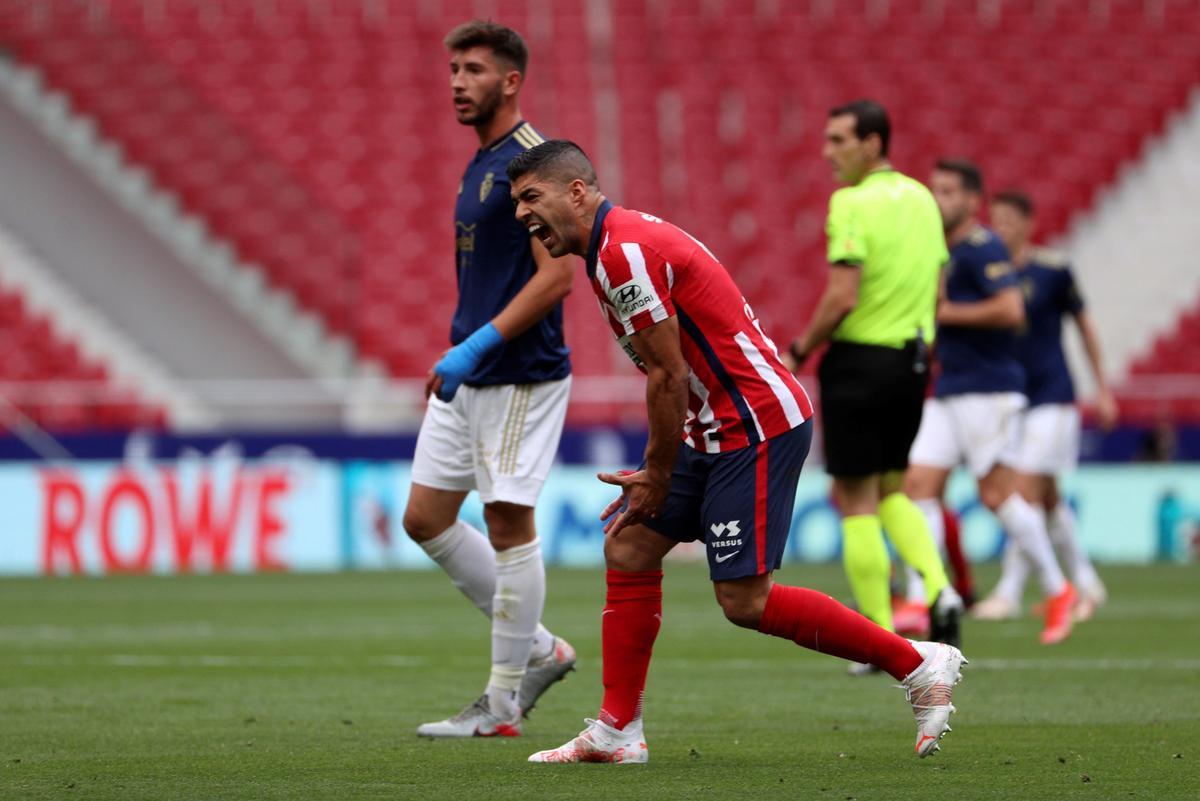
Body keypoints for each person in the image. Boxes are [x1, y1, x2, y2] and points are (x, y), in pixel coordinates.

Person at [506, 140, 967, 765]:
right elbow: (675, 370)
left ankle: (917, 662)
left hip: (753, 426)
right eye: (516, 202)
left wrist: (656, 474)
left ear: (578, 192)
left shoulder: (624, 253)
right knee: (630, 545)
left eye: (532, 197)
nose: (521, 215)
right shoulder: (613, 247)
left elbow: (665, 375)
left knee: (744, 602)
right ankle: (617, 728)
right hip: (713, 426)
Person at [403, 20, 576, 738]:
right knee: (424, 518)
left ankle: (503, 703)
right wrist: (462, 351)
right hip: (470, 373)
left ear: (510, 81)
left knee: (507, 519)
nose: (456, 81)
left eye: (472, 69)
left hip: (518, 374)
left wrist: (475, 344)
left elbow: (560, 272)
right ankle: (540, 648)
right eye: (452, 69)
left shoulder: (534, 162)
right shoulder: (482, 165)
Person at [784, 100, 962, 655]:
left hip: (860, 361)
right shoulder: (923, 200)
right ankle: (940, 588)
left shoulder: (851, 204)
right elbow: (936, 294)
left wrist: (799, 349)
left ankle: (880, 636)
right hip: (911, 362)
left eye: (839, 140)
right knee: (891, 489)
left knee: (853, 497)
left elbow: (842, 297)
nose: (827, 152)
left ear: (873, 143)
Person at [905, 160, 1076, 646]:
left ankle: (1057, 587)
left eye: (949, 191)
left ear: (972, 200)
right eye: (935, 189)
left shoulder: (984, 248)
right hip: (952, 385)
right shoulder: (943, 249)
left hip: (989, 388)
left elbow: (1009, 308)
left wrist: (945, 314)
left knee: (996, 495)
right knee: (919, 483)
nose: (939, 199)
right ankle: (923, 596)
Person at [970, 190, 1114, 621]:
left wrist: (1102, 388)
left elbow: (1085, 326)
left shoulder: (1053, 270)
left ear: (1029, 223)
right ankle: (1087, 582)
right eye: (995, 219)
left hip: (1053, 397)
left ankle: (1010, 592)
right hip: (1010, 397)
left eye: (1010, 220)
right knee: (1048, 498)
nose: (1002, 228)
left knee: (1023, 492)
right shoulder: (985, 274)